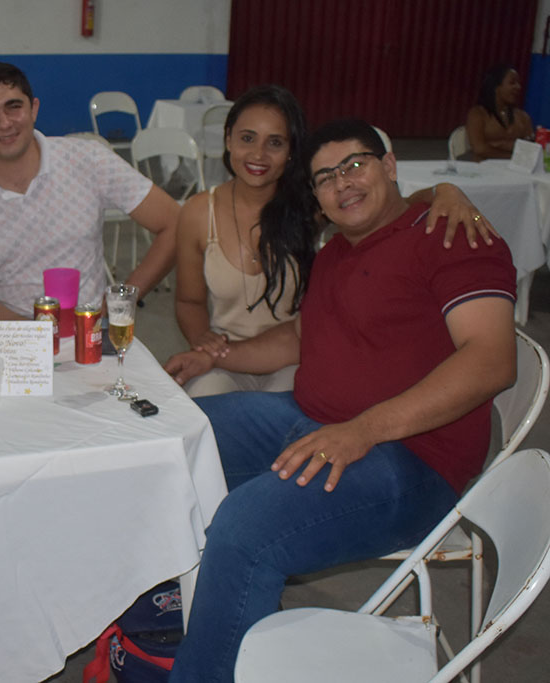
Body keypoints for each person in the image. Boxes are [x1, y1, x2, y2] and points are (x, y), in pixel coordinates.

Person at [168, 119, 517, 683]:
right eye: (325, 177)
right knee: (176, 435)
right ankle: (184, 618)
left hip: (411, 461)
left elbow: (492, 361)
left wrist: (364, 429)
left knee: (245, 530)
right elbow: (299, 338)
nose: (342, 183)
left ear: (390, 165)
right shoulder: (334, 253)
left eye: (355, 165)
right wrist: (217, 356)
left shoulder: (450, 236)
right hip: (310, 421)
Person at [167, 86, 498, 397]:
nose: (258, 154)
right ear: (228, 139)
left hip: (295, 355)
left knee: (295, 404)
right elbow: (188, 301)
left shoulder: (311, 205)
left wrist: (444, 191)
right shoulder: (199, 212)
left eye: (275, 143)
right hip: (226, 354)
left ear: (292, 151)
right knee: (203, 402)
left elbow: (390, 205)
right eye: (247, 138)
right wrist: (204, 342)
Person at [0, 62, 179, 318]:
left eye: (14, 107)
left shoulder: (89, 159)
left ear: (34, 109)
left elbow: (174, 222)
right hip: (9, 334)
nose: (5, 123)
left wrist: (119, 304)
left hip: (86, 332)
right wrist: (37, 335)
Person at [467, 64, 534, 162]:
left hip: (516, 169)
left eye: (518, 83)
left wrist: (497, 145)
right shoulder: (478, 114)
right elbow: (479, 149)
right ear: (496, 87)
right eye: (512, 83)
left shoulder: (523, 117)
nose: (518, 87)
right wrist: (512, 156)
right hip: (483, 168)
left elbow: (531, 148)